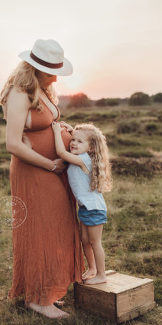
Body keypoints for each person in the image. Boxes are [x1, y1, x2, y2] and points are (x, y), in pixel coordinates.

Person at [0, 39, 82, 319]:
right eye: (51, 71)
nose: (56, 77)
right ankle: (38, 299)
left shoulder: (43, 89)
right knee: (40, 230)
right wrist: (50, 164)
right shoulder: (19, 93)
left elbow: (47, 122)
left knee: (57, 225)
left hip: (51, 168)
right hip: (34, 171)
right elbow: (13, 143)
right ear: (34, 68)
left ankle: (47, 291)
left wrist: (61, 128)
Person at [52, 121, 112, 284]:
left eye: (79, 141)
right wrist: (74, 132)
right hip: (85, 208)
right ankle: (92, 268)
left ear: (91, 147)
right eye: (73, 140)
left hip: (94, 209)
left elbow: (61, 153)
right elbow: (77, 143)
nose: (73, 143)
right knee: (85, 241)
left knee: (95, 242)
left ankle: (101, 275)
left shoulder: (84, 159)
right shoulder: (80, 156)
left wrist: (57, 132)